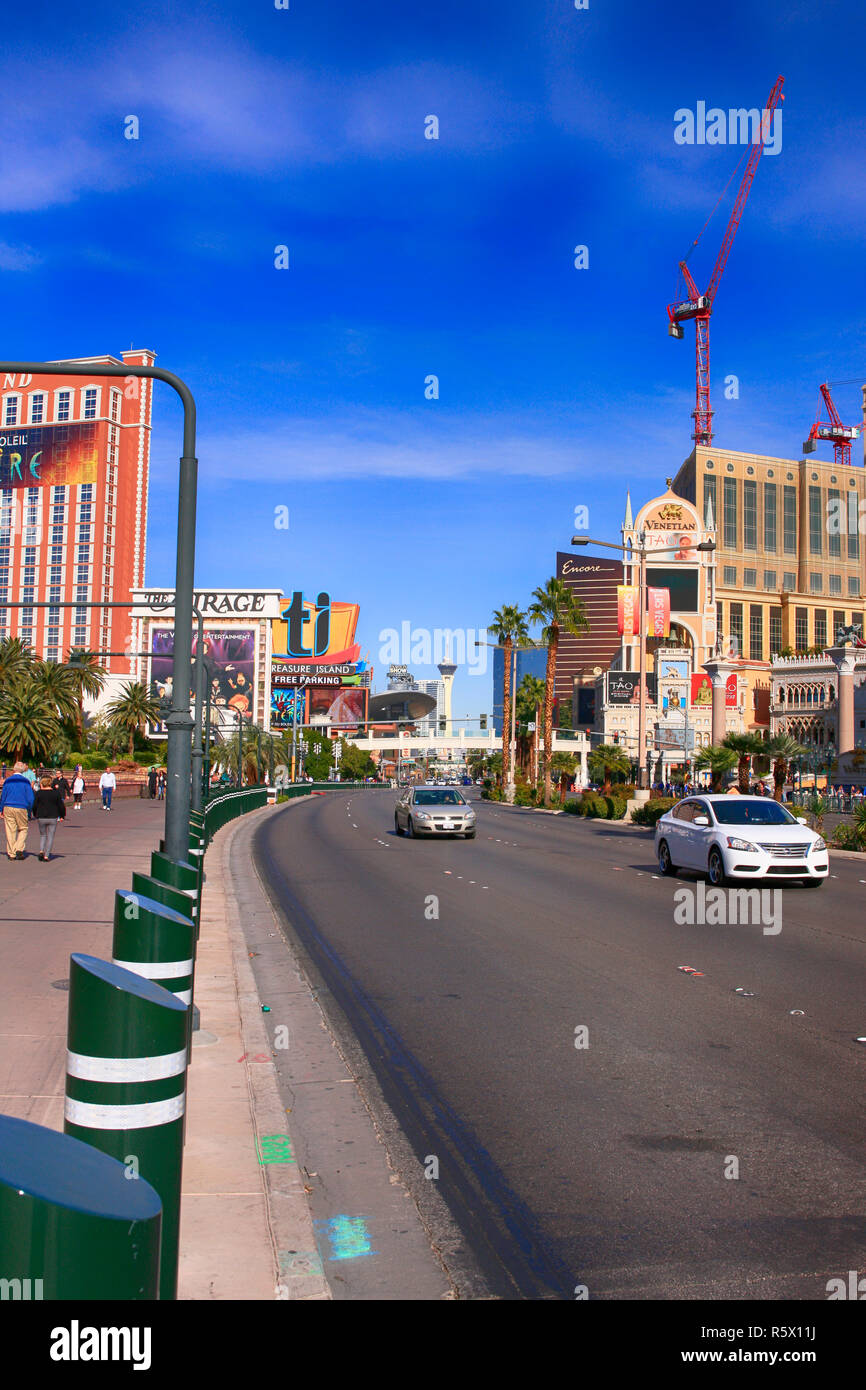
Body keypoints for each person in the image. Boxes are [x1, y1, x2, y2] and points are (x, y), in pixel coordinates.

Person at [1, 762, 35, 860]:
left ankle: (11, 853)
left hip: (8, 806)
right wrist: (30, 809)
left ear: (14, 769)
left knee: (10, 830)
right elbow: (30, 798)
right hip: (21, 807)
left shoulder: (8, 781)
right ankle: (19, 848)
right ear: (23, 770)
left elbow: (3, 796)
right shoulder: (26, 781)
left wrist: (1, 808)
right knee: (23, 828)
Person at [32, 776, 66, 861]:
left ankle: (41, 850)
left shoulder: (38, 793)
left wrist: (35, 814)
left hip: (41, 816)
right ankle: (46, 856)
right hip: (53, 816)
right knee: (50, 836)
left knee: (43, 835)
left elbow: (34, 805)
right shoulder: (56, 793)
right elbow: (61, 806)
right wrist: (62, 815)